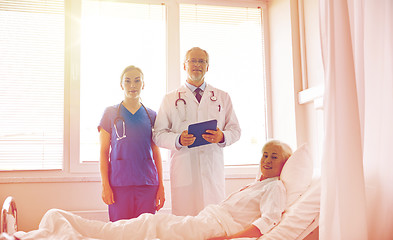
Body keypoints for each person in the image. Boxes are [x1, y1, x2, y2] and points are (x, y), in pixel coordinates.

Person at [8, 140, 292, 240]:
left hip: (210, 228)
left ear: (285, 163)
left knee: (143, 227)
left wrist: (228, 239)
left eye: (274, 156)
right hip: (203, 221)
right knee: (141, 226)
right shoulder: (258, 185)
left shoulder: (275, 189)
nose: (267, 160)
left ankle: (50, 227)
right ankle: (55, 223)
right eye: (265, 154)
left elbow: (267, 222)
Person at [153, 47, 241, 216]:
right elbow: (158, 134)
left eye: (202, 61)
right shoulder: (170, 99)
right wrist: (178, 140)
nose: (197, 65)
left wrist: (222, 136)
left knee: (213, 221)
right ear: (184, 66)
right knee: (186, 225)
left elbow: (235, 130)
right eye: (192, 61)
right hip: (185, 170)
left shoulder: (222, 97)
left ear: (207, 67)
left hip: (212, 170)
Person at [98, 65, 165, 221]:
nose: (132, 85)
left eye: (137, 80)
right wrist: (105, 185)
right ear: (121, 85)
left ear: (143, 84)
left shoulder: (151, 115)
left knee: (144, 232)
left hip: (147, 184)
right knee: (121, 233)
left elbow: (156, 153)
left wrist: (161, 185)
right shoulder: (110, 113)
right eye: (127, 81)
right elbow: (103, 152)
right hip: (119, 184)